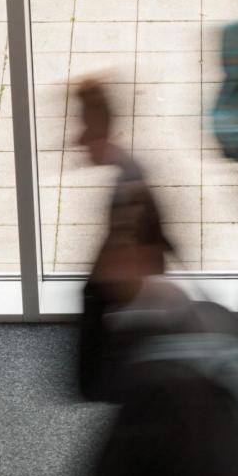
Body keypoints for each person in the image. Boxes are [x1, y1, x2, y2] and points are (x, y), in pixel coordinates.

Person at [76, 77, 173, 402]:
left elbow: (132, 267)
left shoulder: (127, 187)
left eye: (84, 128)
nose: (77, 140)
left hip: (130, 326)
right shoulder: (129, 174)